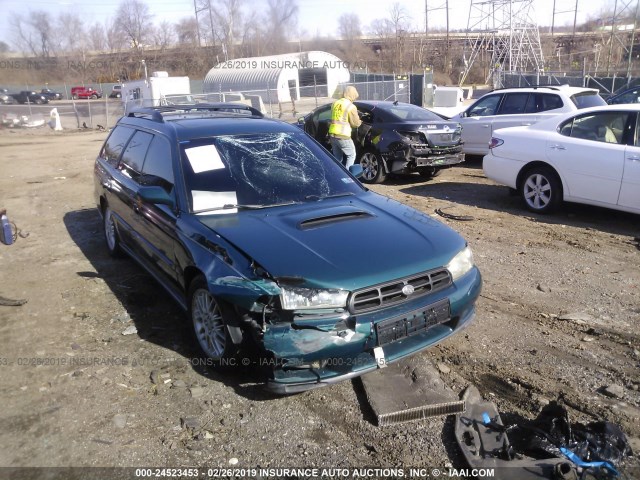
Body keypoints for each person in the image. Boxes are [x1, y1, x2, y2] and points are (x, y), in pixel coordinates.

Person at [328, 86, 362, 168]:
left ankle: (337, 174)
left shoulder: (335, 103)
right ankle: (348, 175)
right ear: (352, 95)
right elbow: (355, 124)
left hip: (332, 134)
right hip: (343, 135)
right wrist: (361, 121)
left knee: (338, 158)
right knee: (351, 155)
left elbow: (339, 116)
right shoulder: (351, 106)